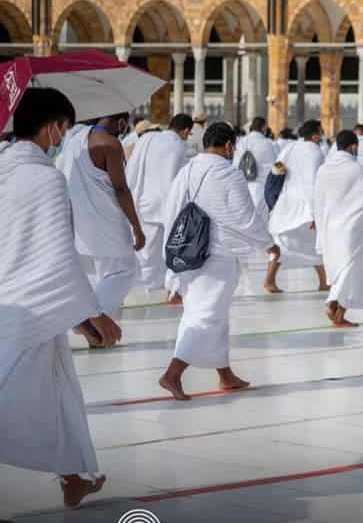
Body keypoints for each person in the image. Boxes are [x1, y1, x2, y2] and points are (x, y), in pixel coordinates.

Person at [1, 89, 122, 523]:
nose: (63, 139)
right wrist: (92, 315)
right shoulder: (44, 178)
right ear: (52, 125)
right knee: (7, 401)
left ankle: (73, 475)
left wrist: (77, 314)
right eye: (64, 129)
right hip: (29, 310)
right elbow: (57, 256)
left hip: (23, 302)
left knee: (60, 392)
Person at [157, 123, 276, 401]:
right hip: (216, 257)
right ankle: (172, 373)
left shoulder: (187, 171)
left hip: (188, 255)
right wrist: (268, 244)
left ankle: (225, 374)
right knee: (207, 315)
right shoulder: (227, 174)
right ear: (230, 146)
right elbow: (245, 218)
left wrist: (171, 256)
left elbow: (171, 212)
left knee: (209, 315)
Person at [60, 113, 146, 325]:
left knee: (96, 275)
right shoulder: (110, 144)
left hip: (79, 221)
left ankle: (92, 324)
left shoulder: (74, 141)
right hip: (107, 220)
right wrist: (136, 226)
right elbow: (120, 188)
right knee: (125, 269)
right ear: (121, 122)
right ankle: (92, 321)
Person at [314, 130, 363, 329]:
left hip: (330, 227)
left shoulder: (324, 169)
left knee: (346, 269)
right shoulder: (355, 168)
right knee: (349, 270)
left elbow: (317, 200)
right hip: (350, 228)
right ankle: (332, 303)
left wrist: (320, 225)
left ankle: (339, 313)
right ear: (353, 146)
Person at [126, 114, 193, 297]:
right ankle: (159, 287)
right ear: (185, 131)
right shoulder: (178, 146)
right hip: (168, 205)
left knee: (145, 251)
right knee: (167, 249)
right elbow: (180, 182)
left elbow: (132, 169)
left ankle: (141, 286)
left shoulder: (148, 138)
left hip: (144, 201)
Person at [265, 119, 329, 294]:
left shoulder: (290, 148)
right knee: (316, 244)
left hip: (286, 203)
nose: (323, 135)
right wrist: (314, 214)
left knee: (283, 243)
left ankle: (269, 280)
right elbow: (312, 184)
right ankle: (324, 282)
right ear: (315, 136)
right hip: (304, 207)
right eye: (321, 132)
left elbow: (276, 168)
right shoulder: (315, 152)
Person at [234, 117, 279, 216]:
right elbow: (275, 167)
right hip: (261, 189)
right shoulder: (269, 144)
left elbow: (235, 165)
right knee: (261, 220)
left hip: (242, 187)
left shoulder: (241, 142)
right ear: (263, 128)